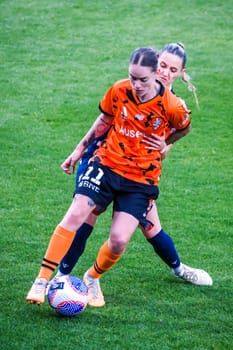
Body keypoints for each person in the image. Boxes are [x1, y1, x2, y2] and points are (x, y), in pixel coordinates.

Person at [26, 46, 195, 306]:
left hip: (141, 177)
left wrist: (165, 143)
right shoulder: (121, 89)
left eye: (172, 69)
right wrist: (78, 150)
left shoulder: (173, 106)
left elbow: (183, 129)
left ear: (180, 73)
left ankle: (95, 277)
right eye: (162, 65)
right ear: (154, 63)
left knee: (125, 238)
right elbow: (104, 120)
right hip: (105, 161)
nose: (164, 72)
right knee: (80, 214)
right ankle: (47, 279)